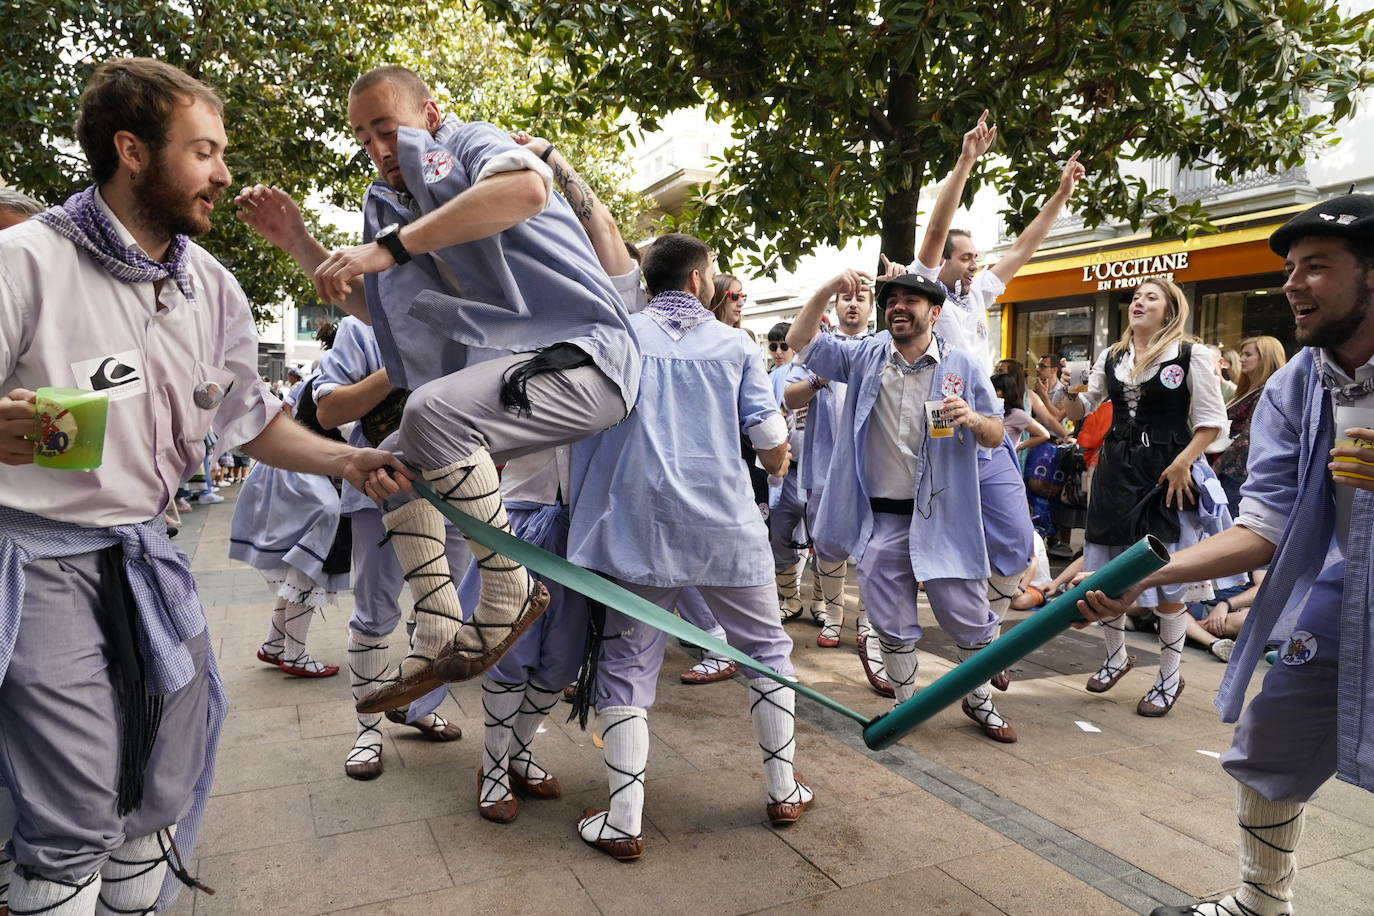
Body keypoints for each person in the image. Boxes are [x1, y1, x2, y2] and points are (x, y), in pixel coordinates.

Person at [0, 57, 407, 914]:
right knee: (71, 799)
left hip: (147, 553)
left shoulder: (210, 287)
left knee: (167, 771)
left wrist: (345, 459)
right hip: (37, 566)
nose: (224, 173)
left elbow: (247, 420)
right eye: (204, 151)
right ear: (132, 151)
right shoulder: (24, 262)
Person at [239, 65, 640, 714]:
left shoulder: (472, 143)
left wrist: (390, 248)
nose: (375, 149)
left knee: (430, 409)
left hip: (589, 362)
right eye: (362, 137)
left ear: (430, 116)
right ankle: (436, 627)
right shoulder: (397, 207)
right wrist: (299, 243)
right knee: (395, 453)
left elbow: (526, 192)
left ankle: (508, 590)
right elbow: (392, 315)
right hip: (524, 376)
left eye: (386, 129)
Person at [1076, 194, 1374, 916]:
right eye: (1289, 268)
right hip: (1349, 592)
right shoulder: (1297, 387)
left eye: (1317, 267)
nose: (1292, 284)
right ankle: (1261, 903)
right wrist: (1144, 576)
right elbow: (1263, 526)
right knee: (1270, 739)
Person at [568, 233, 808, 859]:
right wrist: (778, 461)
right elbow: (769, 441)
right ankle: (783, 788)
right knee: (766, 651)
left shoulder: (619, 338)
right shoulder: (737, 346)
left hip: (635, 531)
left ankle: (624, 820)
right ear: (700, 280)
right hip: (726, 528)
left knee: (626, 664)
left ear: (650, 280)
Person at [787, 270, 1020, 744]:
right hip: (882, 518)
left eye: (911, 300)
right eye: (891, 299)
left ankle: (980, 702)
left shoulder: (962, 367)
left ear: (934, 313)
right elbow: (800, 339)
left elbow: (997, 434)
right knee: (891, 622)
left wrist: (974, 419)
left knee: (971, 621)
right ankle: (905, 705)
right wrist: (830, 289)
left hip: (944, 518)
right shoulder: (864, 355)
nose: (898, 306)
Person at [904, 112, 1084, 686]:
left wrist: (1060, 194)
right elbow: (933, 235)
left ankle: (983, 638)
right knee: (940, 549)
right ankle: (979, 656)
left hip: (988, 432)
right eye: (965, 256)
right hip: (936, 435)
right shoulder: (926, 290)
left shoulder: (980, 293)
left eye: (978, 255)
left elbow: (1027, 247)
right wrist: (965, 163)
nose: (975, 262)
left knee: (1014, 543)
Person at [1062, 277, 1236, 717]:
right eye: (1135, 298)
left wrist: (1183, 462)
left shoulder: (1190, 354)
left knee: (1167, 578)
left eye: (1150, 298)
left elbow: (1214, 422)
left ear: (1170, 309)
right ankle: (1116, 656)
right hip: (1115, 468)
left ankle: (1169, 678)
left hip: (1166, 472)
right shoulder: (1113, 355)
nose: (1138, 303)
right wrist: (1070, 389)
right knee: (1107, 572)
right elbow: (1082, 412)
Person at [781, 279, 885, 682]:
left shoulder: (881, 347)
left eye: (861, 298)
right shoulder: (819, 348)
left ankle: (866, 623)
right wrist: (818, 379)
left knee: (875, 546)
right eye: (847, 298)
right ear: (837, 305)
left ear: (872, 306)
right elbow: (789, 399)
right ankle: (833, 614)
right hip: (825, 463)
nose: (853, 305)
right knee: (827, 542)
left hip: (872, 465)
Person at [228, 371, 348, 679]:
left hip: (292, 473)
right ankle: (294, 655)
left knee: (300, 571)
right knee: (309, 569)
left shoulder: (312, 381)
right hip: (310, 481)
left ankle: (274, 644)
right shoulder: (339, 387)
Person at [1213, 336, 1288, 518]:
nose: (1241, 359)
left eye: (1248, 354)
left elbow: (1249, 437)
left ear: (1265, 358)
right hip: (1231, 472)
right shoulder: (1248, 390)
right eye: (1241, 354)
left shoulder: (1267, 392)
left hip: (1237, 475)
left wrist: (1215, 467)